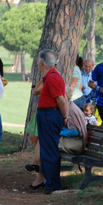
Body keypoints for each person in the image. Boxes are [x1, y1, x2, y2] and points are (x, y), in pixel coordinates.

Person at [36, 49, 68, 194]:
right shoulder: (49, 76)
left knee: (50, 150)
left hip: (50, 115)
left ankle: (53, 184)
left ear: (42, 62)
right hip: (45, 114)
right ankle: (49, 181)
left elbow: (61, 99)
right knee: (46, 149)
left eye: (38, 61)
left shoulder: (53, 77)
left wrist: (66, 117)